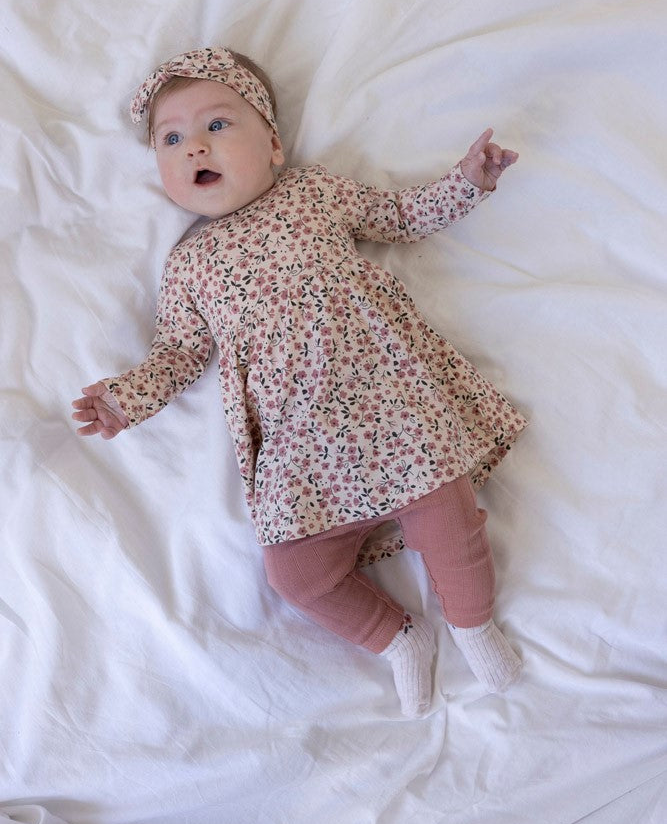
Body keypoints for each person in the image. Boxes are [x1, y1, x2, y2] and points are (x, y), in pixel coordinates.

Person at [72, 46, 527, 717]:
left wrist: (466, 182)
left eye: (217, 125)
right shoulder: (189, 264)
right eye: (171, 139)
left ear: (274, 146)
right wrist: (126, 399)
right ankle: (398, 636)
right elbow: (180, 351)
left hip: (391, 403)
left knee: (448, 518)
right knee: (294, 575)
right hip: (298, 446)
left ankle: (472, 624)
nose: (195, 146)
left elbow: (401, 217)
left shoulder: (313, 194)